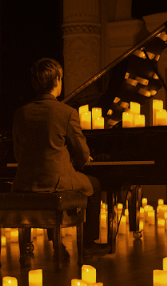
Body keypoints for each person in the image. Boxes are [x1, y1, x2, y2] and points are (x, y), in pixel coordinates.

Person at [12, 57, 110, 258]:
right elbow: (82, 154)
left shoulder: (20, 113)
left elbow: (17, 153)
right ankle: (88, 243)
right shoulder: (66, 112)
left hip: (25, 181)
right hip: (55, 181)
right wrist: (82, 160)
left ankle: (57, 243)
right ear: (57, 80)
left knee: (48, 195)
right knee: (95, 185)